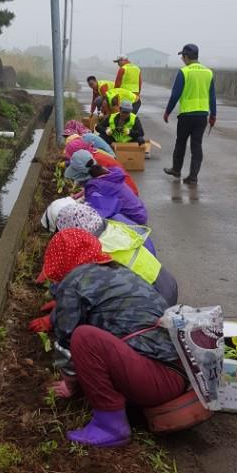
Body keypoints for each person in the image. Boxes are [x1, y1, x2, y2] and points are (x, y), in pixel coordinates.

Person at [32, 229, 187, 447]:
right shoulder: (117, 271)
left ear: (61, 261)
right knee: (91, 336)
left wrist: (70, 383)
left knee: (83, 338)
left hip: (156, 381)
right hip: (179, 372)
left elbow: (65, 337)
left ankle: (110, 426)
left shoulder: (74, 281)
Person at [54, 202, 178, 304]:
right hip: (167, 284)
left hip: (156, 301)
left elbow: (85, 293)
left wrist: (61, 301)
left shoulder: (95, 253)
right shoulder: (113, 230)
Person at [163, 43, 216, 186]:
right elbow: (212, 97)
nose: (182, 59)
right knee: (196, 146)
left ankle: (176, 170)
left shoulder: (184, 72)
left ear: (186, 56)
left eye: (182, 56)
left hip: (186, 115)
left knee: (180, 143)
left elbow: (175, 95)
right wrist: (213, 115)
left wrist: (167, 111)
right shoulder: (208, 72)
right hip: (202, 116)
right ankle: (193, 177)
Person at [65, 149, 148, 225]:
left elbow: (90, 211)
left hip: (133, 221)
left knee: (94, 223)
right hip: (139, 213)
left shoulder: (95, 187)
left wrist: (71, 204)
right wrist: (79, 195)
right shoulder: (108, 174)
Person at [64, 136, 139, 195]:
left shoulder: (97, 163)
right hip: (124, 192)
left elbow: (98, 187)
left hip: (127, 193)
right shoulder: (92, 156)